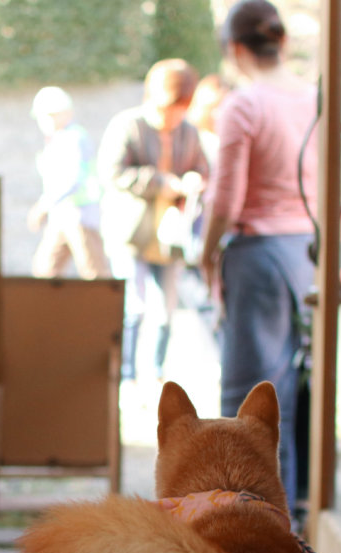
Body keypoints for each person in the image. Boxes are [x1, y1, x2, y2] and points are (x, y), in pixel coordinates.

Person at [200, 0, 317, 518]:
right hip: (302, 252)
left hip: (259, 255)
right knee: (282, 402)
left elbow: (225, 199)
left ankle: (252, 536)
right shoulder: (314, 98)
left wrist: (207, 256)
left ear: (234, 49)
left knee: (248, 407)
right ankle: (281, 526)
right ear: (283, 42)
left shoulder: (244, 104)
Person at [97, 59, 209, 382]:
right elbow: (112, 172)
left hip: (171, 235)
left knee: (165, 309)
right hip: (131, 232)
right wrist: (162, 182)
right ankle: (126, 373)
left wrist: (192, 182)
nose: (173, 115)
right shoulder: (128, 125)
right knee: (134, 306)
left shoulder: (189, 133)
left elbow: (204, 171)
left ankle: (156, 371)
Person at [28, 86, 110, 280]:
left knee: (94, 273)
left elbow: (73, 179)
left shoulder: (74, 138)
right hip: (61, 215)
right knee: (45, 271)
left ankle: (101, 310)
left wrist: (44, 205)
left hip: (80, 214)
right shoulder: (57, 139)